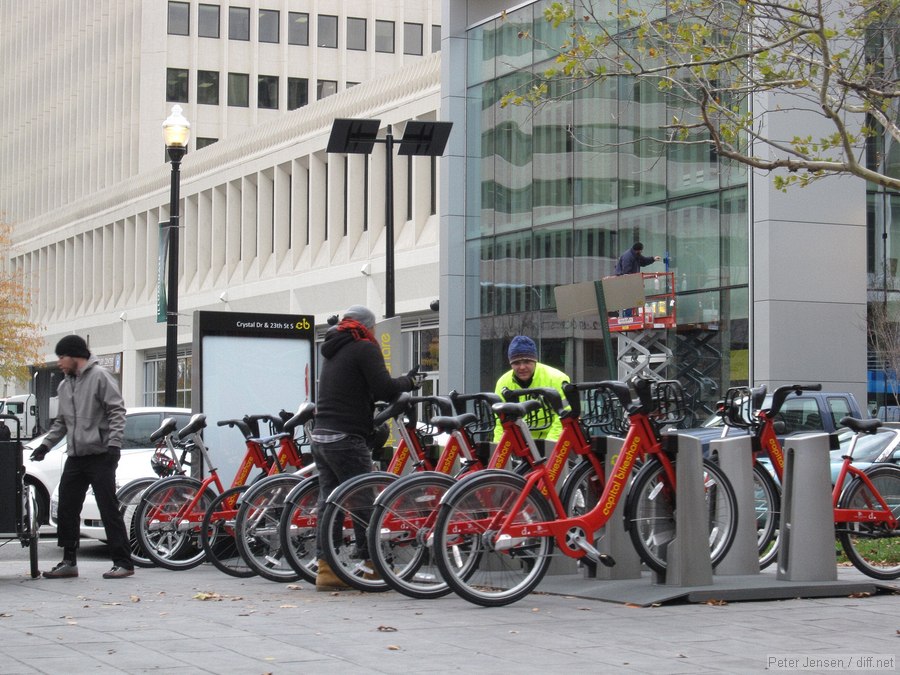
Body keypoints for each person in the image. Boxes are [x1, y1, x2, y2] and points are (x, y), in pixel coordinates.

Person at [311, 305, 424, 592]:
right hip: (346, 436)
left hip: (322, 434)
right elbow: (384, 388)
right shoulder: (363, 347)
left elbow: (362, 387)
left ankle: (327, 570)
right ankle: (372, 565)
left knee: (330, 502)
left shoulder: (334, 349)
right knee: (364, 501)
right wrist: (409, 382)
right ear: (368, 327)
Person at [29, 335, 133, 580]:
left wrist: (114, 446)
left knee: (108, 508)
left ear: (75, 356)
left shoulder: (101, 377)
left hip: (101, 454)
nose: (60, 363)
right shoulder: (65, 385)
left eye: (62, 357)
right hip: (76, 456)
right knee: (66, 507)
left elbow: (117, 411)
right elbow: (62, 423)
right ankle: (69, 562)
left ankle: (123, 562)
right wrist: (45, 446)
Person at [493, 335, 570, 443]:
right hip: (521, 443)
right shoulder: (503, 382)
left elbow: (565, 416)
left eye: (527, 362)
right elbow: (500, 422)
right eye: (516, 363)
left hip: (553, 440)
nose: (522, 367)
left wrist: (550, 445)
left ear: (535, 361)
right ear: (510, 364)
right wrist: (500, 449)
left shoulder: (557, 379)